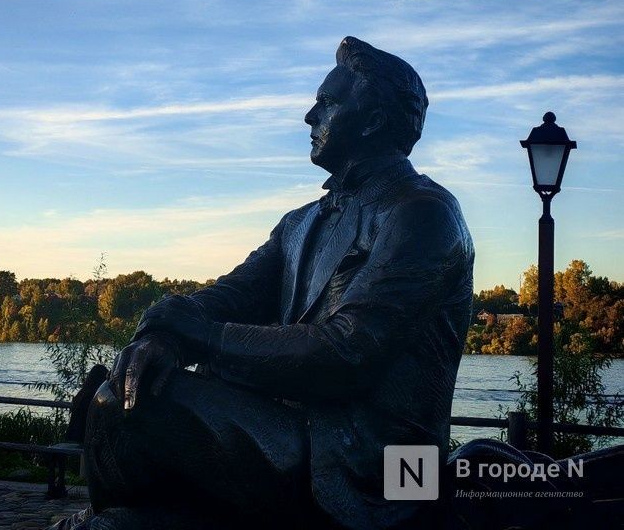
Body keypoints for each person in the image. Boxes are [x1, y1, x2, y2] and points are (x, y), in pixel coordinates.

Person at [56, 37, 475, 530]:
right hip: (294, 435)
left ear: (374, 121)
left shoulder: (422, 214)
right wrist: (165, 335)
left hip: (384, 469)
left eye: (328, 103)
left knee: (123, 406)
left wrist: (200, 338)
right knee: (125, 395)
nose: (309, 116)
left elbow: (348, 353)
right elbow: (229, 296)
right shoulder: (300, 223)